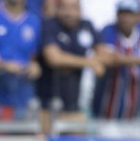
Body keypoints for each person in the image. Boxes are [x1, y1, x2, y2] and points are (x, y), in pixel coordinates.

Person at [39, 0, 106, 134]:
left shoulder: (87, 25)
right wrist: (90, 62)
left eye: (73, 8)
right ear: (57, 9)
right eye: (64, 8)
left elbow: (104, 54)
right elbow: (54, 58)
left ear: (80, 10)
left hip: (80, 102)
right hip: (50, 102)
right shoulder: (49, 25)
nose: (69, 13)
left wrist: (70, 62)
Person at [0, 0, 42, 119]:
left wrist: (34, 65)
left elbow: (34, 55)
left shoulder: (34, 20)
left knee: (24, 135)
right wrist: (3, 65)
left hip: (23, 95)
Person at [92, 0, 140, 120]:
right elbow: (106, 58)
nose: (125, 18)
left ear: (137, 16)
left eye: (129, 13)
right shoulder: (108, 30)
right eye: (122, 13)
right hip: (107, 112)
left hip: (134, 114)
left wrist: (120, 58)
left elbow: (115, 58)